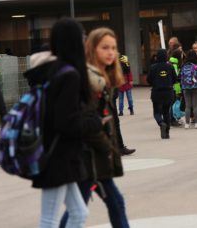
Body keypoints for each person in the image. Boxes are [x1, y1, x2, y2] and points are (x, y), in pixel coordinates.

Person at [61, 27, 130, 228]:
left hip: (93, 158)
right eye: (105, 47)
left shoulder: (99, 76)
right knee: (87, 208)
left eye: (114, 48)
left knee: (107, 204)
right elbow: (86, 122)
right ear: (92, 49)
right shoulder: (89, 80)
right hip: (89, 159)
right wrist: (107, 147)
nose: (111, 52)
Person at [25, 19, 89, 227]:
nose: (85, 41)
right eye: (82, 37)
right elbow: (65, 121)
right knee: (49, 219)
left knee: (78, 213)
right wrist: (92, 125)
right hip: (58, 156)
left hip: (57, 153)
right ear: (74, 41)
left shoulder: (54, 71)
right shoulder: (68, 75)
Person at [147, 49, 177, 139]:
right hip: (168, 92)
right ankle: (167, 133)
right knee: (166, 112)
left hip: (157, 92)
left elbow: (148, 80)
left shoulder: (153, 67)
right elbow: (175, 79)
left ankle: (161, 123)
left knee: (157, 112)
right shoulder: (170, 66)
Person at [181, 49, 197, 129]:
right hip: (196, 87)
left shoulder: (183, 65)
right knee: (196, 106)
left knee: (187, 106)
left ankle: (187, 124)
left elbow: (179, 77)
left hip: (185, 88)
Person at [169, 48, 184, 126]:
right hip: (175, 86)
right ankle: (174, 118)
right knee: (174, 102)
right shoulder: (174, 64)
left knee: (174, 102)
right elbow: (175, 76)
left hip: (174, 86)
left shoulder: (172, 62)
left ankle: (174, 117)